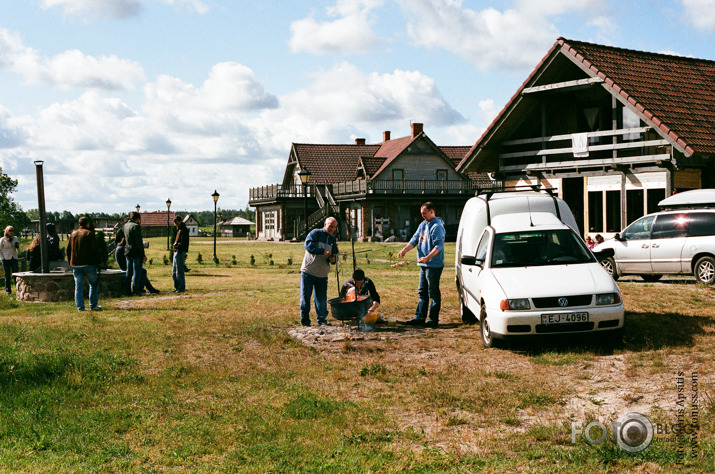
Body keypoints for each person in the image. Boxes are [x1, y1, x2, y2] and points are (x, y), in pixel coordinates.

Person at [397, 202, 445, 328]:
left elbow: (438, 246)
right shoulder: (423, 224)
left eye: (424, 213)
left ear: (431, 212)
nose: (422, 216)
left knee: (433, 292)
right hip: (423, 265)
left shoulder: (437, 227)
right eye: (421, 213)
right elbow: (414, 239)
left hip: (433, 265)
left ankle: (433, 320)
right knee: (422, 292)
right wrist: (404, 250)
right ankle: (420, 317)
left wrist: (427, 258)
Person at [300, 217, 338, 326]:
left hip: (322, 274)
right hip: (308, 271)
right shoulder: (315, 233)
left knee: (321, 300)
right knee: (305, 298)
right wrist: (322, 251)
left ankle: (322, 321)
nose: (332, 229)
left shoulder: (333, 240)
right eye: (330, 226)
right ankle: (305, 322)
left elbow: (335, 255)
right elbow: (308, 245)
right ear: (325, 224)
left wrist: (333, 259)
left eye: (334, 227)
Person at [114, 219, 159, 294]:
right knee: (140, 272)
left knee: (138, 271)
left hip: (127, 260)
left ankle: (145, 289)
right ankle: (140, 289)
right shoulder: (121, 248)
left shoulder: (122, 246)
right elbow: (138, 243)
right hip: (125, 264)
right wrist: (142, 254)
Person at [67, 216, 102, 311]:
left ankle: (80, 307)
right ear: (87, 224)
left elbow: (68, 249)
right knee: (93, 284)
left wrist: (70, 262)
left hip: (75, 264)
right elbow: (94, 250)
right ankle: (93, 305)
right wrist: (98, 262)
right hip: (88, 263)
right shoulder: (89, 234)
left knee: (78, 287)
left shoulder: (73, 234)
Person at [123, 211, 147, 296]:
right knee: (137, 271)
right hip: (136, 251)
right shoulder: (136, 227)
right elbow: (139, 243)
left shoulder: (125, 225)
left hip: (127, 250)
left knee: (128, 271)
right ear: (138, 218)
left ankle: (127, 290)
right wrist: (143, 254)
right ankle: (136, 290)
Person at [172, 215, 189, 293]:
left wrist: (177, 246)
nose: (175, 224)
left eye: (176, 222)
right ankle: (177, 287)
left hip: (180, 252)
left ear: (180, 221)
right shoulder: (179, 229)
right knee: (174, 271)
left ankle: (181, 287)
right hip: (177, 251)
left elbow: (184, 242)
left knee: (179, 271)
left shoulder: (183, 230)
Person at [1, 226, 20, 295]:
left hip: (14, 258)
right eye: (10, 230)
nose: (12, 232)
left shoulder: (15, 238)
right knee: (7, 275)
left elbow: (18, 248)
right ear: (6, 231)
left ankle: (18, 289)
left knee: (16, 274)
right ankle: (8, 291)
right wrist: (2, 258)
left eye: (12, 230)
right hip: (6, 259)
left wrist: (18, 246)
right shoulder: (2, 239)